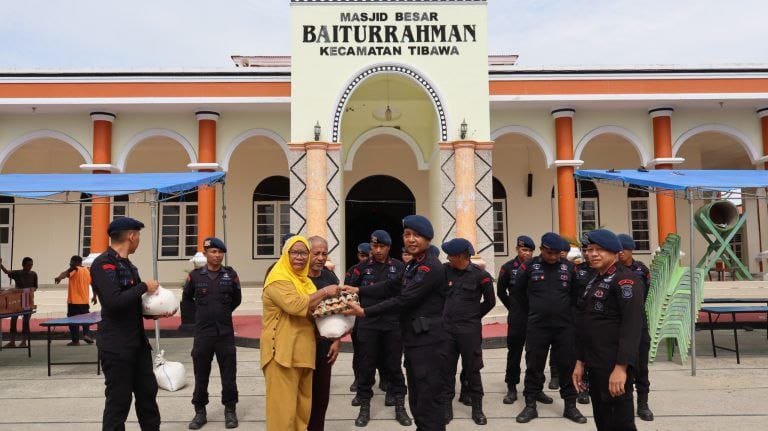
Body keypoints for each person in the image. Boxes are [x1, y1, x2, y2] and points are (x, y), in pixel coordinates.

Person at [344, 215, 449, 431]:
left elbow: (404, 299)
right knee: (418, 399)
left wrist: (365, 311)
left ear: (427, 239)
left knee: (428, 400)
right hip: (415, 339)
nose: (410, 239)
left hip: (428, 344)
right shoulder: (413, 266)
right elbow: (391, 286)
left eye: (416, 235)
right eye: (407, 234)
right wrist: (359, 290)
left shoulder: (429, 267)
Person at [90, 217, 168, 431]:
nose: (138, 240)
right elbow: (114, 302)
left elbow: (131, 303)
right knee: (119, 401)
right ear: (131, 236)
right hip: (116, 346)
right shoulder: (103, 263)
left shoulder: (129, 265)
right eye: (138, 235)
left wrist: (154, 312)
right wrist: (144, 286)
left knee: (147, 395)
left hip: (138, 344)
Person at [261, 235, 340, 431]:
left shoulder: (305, 282)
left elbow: (318, 312)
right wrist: (325, 293)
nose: (300, 257)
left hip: (304, 353)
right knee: (283, 414)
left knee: (301, 412)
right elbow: (296, 305)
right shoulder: (278, 278)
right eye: (295, 252)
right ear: (285, 254)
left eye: (303, 252)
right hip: (281, 353)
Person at [573, 229, 644, 431]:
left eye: (599, 250)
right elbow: (586, 323)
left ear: (615, 253)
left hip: (614, 365)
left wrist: (621, 368)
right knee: (603, 420)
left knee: (621, 423)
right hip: (595, 364)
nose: (592, 254)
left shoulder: (626, 281)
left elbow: (631, 328)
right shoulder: (595, 279)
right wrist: (580, 362)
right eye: (589, 249)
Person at [515, 232, 587, 425]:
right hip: (537, 326)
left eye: (557, 253)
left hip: (564, 327)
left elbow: (577, 296)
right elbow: (518, 293)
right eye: (549, 253)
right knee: (534, 366)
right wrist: (532, 312)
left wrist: (569, 317)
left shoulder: (570, 268)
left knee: (567, 366)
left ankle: (570, 406)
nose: (553, 257)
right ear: (541, 250)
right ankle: (530, 404)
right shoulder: (530, 266)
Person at [344, 230, 411, 427]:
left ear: (389, 247)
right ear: (370, 246)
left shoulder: (400, 268)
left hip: (392, 324)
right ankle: (365, 407)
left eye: (382, 247)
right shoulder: (360, 269)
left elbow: (405, 296)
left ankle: (400, 406)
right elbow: (350, 296)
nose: (378, 250)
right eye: (375, 246)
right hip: (368, 324)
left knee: (394, 367)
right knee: (366, 367)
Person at [183, 237, 242, 429]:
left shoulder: (231, 275)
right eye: (213, 252)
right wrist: (201, 316)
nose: (217, 255)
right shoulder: (195, 276)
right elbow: (187, 300)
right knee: (201, 375)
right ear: (206, 253)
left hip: (224, 333)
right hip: (203, 334)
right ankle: (200, 412)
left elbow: (236, 299)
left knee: (229, 375)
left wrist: (221, 313)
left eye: (220, 252)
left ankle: (230, 411)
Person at [441, 238, 495, 425]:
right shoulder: (444, 271)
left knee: (473, 369)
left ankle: (477, 408)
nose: (447, 258)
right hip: (447, 329)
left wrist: (473, 316)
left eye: (451, 256)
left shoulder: (481, 276)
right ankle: (446, 406)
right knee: (447, 370)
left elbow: (490, 302)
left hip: (469, 331)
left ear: (461, 256)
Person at [306, 235, 342, 431]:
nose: (320, 257)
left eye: (324, 253)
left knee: (321, 396)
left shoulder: (330, 277)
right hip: (301, 343)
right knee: (301, 395)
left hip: (324, 345)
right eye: (316, 253)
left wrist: (337, 341)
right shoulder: (298, 278)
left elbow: (339, 310)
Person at [617, 234, 654, 422]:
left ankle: (643, 403)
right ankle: (625, 403)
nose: (620, 252)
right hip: (618, 324)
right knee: (623, 365)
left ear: (632, 250)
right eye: (618, 249)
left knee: (641, 366)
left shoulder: (641, 269)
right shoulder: (612, 270)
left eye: (624, 249)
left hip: (639, 322)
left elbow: (645, 292)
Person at [497, 235, 534, 404]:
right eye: (524, 249)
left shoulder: (536, 266)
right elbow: (500, 291)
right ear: (517, 249)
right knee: (514, 353)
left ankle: (533, 388)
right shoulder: (507, 268)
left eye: (529, 250)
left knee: (534, 354)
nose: (526, 253)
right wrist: (512, 306)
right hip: (517, 316)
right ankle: (511, 387)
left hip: (535, 316)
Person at [345, 241, 373, 398]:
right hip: (358, 318)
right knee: (360, 352)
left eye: (367, 255)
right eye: (362, 255)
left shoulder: (379, 268)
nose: (364, 258)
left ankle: (383, 379)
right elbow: (346, 294)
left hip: (375, 315)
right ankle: (358, 379)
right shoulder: (353, 271)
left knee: (382, 352)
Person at [54, 255, 95, 346]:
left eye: (71, 262)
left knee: (73, 321)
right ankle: (86, 334)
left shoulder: (74, 269)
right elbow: (93, 284)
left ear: (76, 263)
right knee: (86, 319)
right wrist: (95, 296)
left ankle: (75, 341)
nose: (70, 264)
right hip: (84, 302)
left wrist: (59, 278)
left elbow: (65, 273)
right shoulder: (87, 271)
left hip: (74, 302)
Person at [571, 243, 594, 406]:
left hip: (601, 319)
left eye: (590, 250)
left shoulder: (607, 270)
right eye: (584, 250)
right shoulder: (578, 270)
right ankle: (583, 388)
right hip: (581, 317)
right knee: (582, 354)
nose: (587, 253)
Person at [1, 256, 37, 348]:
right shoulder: (17, 273)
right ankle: (12, 341)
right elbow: (7, 272)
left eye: (31, 265)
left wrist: (32, 289)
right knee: (14, 320)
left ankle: (24, 341)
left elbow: (35, 287)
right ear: (23, 265)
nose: (30, 267)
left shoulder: (34, 274)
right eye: (28, 265)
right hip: (17, 299)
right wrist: (1, 265)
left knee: (25, 321)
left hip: (27, 299)